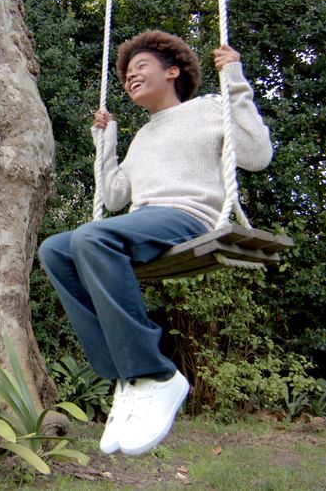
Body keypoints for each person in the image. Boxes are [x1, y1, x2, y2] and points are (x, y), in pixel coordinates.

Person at [37, 30, 273, 456]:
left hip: (190, 217)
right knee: (55, 249)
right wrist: (105, 145)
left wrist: (235, 79)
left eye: (140, 67)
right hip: (144, 222)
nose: (130, 77)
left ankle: (157, 374)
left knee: (92, 238)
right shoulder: (142, 137)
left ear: (173, 71)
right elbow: (114, 197)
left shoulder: (210, 109)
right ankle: (129, 380)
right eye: (126, 74)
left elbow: (256, 156)